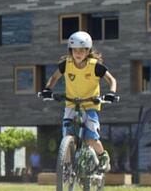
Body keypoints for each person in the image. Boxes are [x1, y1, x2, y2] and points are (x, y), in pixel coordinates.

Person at [41, 31, 119, 172]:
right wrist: (47, 89)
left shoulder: (94, 65)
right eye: (75, 50)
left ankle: (102, 156)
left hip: (90, 104)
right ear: (70, 51)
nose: (78, 53)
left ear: (88, 51)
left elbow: (111, 80)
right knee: (67, 136)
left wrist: (111, 93)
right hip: (71, 104)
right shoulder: (66, 64)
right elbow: (53, 78)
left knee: (90, 138)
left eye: (82, 50)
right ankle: (67, 169)